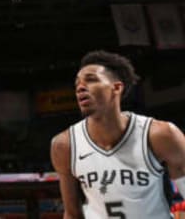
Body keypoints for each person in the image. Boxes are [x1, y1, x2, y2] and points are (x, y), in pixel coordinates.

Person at [50, 50, 185, 218]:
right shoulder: (64, 145)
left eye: (91, 80)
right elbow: (72, 213)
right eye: (77, 83)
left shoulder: (161, 135)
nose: (80, 87)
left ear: (116, 87)